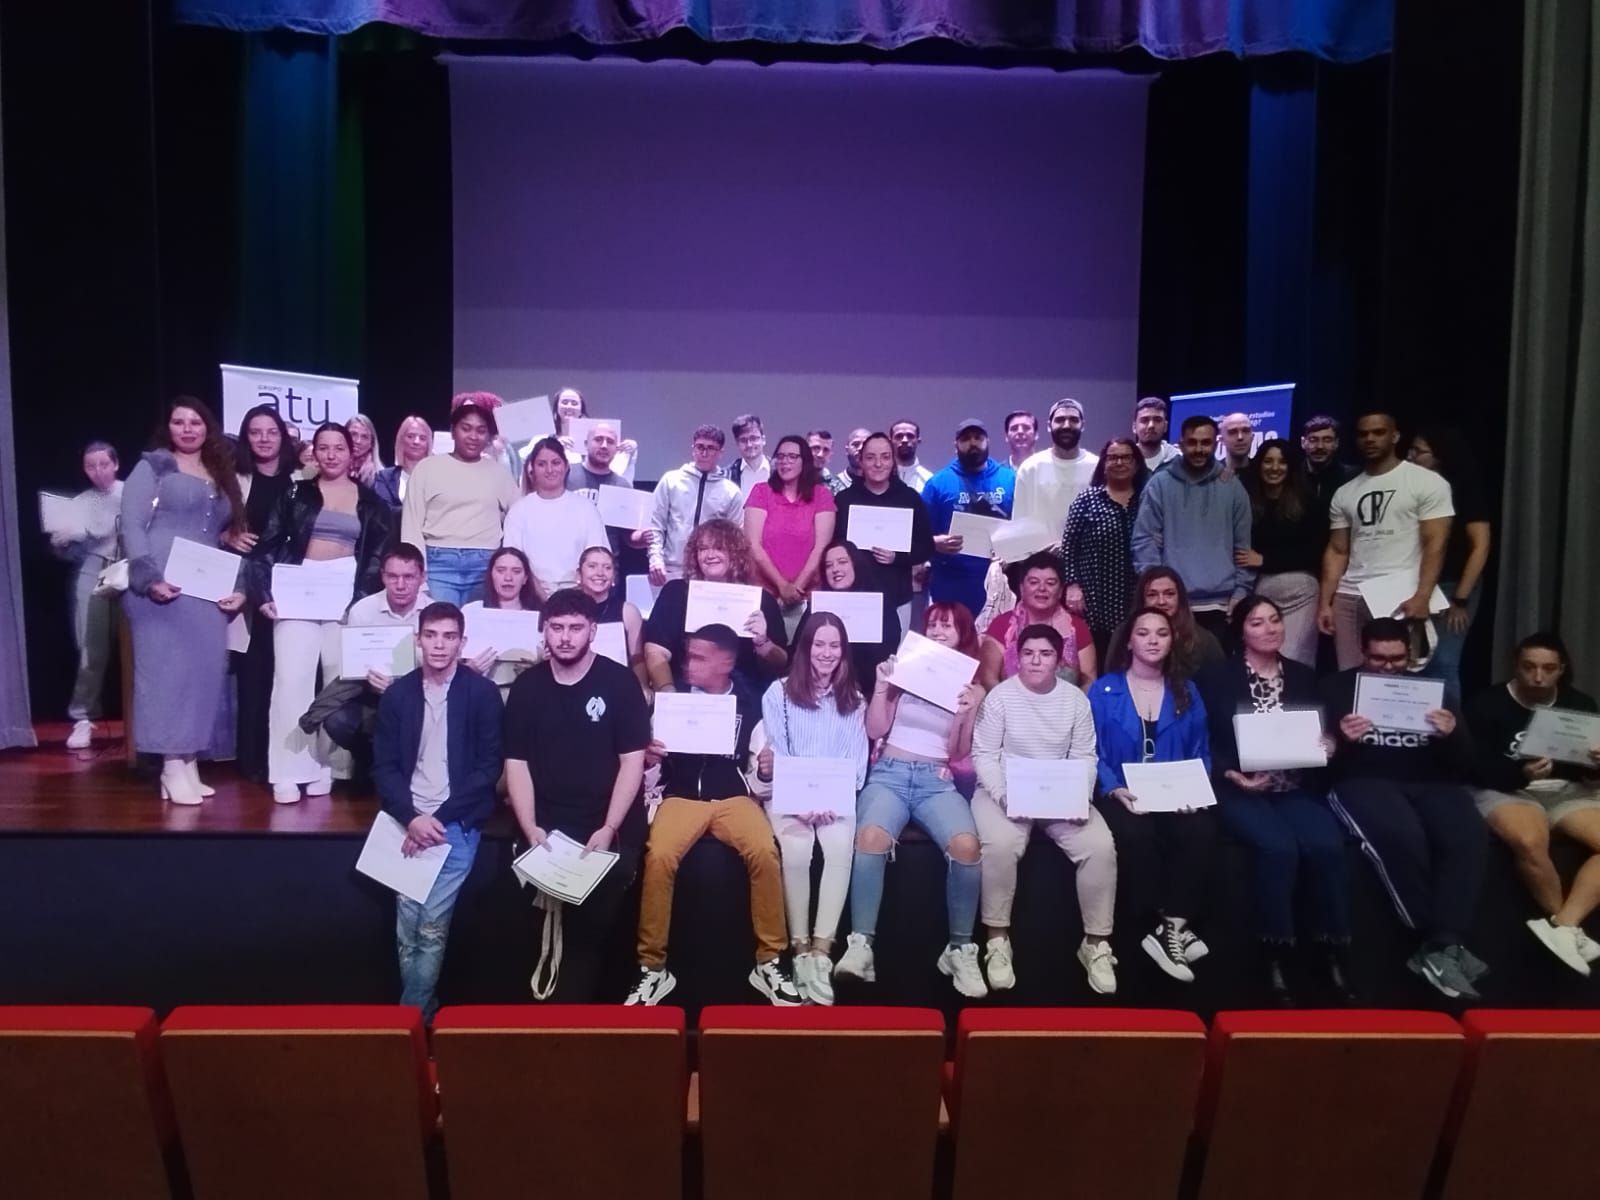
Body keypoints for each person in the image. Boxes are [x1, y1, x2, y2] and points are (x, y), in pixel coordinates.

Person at [626, 623, 803, 1007]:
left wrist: (767, 771)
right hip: (681, 796)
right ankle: (652, 968)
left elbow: (758, 773)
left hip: (734, 797)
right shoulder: (671, 704)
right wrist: (652, 760)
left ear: (726, 662)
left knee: (765, 852)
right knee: (658, 857)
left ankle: (770, 960)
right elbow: (654, 773)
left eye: (699, 657)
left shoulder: (751, 706)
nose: (688, 663)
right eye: (688, 655)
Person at [1321, 618, 1489, 999]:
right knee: (1400, 834)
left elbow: (1467, 764)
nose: (1388, 666)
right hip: (1363, 780)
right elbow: (1318, 760)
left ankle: (1446, 942)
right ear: (1364, 653)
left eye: (1397, 659)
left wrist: (1452, 735)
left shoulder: (1435, 691)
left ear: (1409, 655)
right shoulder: (1334, 688)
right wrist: (1342, 740)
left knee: (1469, 833)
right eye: (1379, 659)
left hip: (1429, 781)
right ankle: (1431, 939)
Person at [1196, 596, 1353, 1003]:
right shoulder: (1217, 677)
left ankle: (1329, 950)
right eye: (1257, 623)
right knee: (1278, 847)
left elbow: (1322, 732)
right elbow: (1203, 738)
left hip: (1294, 786)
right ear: (1241, 631)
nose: (1269, 629)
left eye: (1275, 620)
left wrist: (1330, 743)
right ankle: (1275, 954)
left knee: (1327, 845)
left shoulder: (1303, 675)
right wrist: (1231, 771)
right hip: (1237, 786)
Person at [503, 587, 651, 1000]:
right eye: (556, 628)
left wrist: (609, 827)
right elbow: (517, 764)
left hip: (607, 830)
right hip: (545, 828)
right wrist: (530, 827)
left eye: (575, 628)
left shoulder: (620, 684)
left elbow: (632, 762)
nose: (565, 637)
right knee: (527, 928)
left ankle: (576, 1024)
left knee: (590, 933)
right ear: (544, 632)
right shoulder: (527, 688)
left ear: (592, 632)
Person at [835, 602, 986, 995]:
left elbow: (957, 752)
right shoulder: (902, 669)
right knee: (870, 838)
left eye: (947, 626)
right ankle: (861, 944)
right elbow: (874, 729)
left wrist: (965, 712)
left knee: (967, 847)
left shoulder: (971, 686)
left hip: (936, 778)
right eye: (933, 624)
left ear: (962, 634)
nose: (938, 632)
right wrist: (883, 685)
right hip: (890, 772)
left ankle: (959, 948)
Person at [970, 624, 1120, 995]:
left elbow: (1085, 755)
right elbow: (984, 756)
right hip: (1003, 791)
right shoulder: (1000, 698)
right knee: (1001, 846)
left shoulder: (1075, 700)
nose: (1036, 661)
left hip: (1059, 795)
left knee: (1101, 847)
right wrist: (1005, 796)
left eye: (1045, 653)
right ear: (1016, 657)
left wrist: (1078, 798)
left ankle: (1096, 945)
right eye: (1028, 653)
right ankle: (997, 940)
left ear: (1060, 659)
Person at [373, 601, 503, 1022]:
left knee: (430, 927)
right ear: (418, 639)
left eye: (449, 636)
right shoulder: (398, 694)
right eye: (431, 635)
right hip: (405, 822)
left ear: (462, 641)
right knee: (406, 927)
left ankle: (407, 1021)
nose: (440, 644)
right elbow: (385, 766)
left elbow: (488, 768)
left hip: (456, 823)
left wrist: (438, 819)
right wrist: (411, 817)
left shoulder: (481, 693)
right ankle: (421, 1017)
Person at [250, 422, 393, 804]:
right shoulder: (296, 493)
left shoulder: (370, 502)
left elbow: (377, 557)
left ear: (352, 453)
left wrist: (360, 598)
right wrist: (264, 593)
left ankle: (329, 767)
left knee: (337, 682)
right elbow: (267, 545)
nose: (331, 454)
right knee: (291, 680)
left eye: (339, 448)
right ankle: (287, 771)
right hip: (298, 586)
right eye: (324, 447)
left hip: (345, 590)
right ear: (314, 452)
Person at [121, 398, 248, 804]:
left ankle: (188, 761)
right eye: (179, 421)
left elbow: (221, 532)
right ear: (169, 427)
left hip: (205, 585)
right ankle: (170, 765)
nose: (188, 429)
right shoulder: (154, 465)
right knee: (166, 674)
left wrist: (236, 579)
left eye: (196, 422)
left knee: (203, 675)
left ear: (207, 427)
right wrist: (148, 577)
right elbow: (132, 523)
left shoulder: (218, 470)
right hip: (165, 581)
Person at [1090, 607, 1218, 983]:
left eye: (1161, 633)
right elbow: (1090, 749)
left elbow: (1201, 750)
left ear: (1171, 639)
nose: (1152, 640)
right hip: (1121, 792)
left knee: (1201, 831)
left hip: (1175, 794)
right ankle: (1163, 926)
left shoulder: (1187, 690)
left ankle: (1172, 926)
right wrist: (1112, 788)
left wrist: (1196, 789)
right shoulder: (1105, 689)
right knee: (1135, 834)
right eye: (1143, 633)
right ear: (1129, 641)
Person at [1467, 633, 1600, 976]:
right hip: (1506, 790)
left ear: (1561, 670)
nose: (1538, 677)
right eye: (1529, 667)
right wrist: (1520, 771)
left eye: (1548, 669)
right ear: (1516, 666)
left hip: (1566, 790)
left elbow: (1587, 774)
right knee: (1528, 840)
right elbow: (1473, 768)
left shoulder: (1580, 704)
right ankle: (1567, 929)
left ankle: (1565, 927)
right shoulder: (1487, 703)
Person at [753, 613, 869, 1004]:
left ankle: (822, 950)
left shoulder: (854, 699)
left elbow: (856, 762)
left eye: (835, 645)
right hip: (791, 795)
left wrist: (831, 800)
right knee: (798, 851)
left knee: (839, 850)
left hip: (834, 800)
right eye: (819, 644)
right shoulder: (778, 693)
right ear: (805, 647)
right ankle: (799, 949)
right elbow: (778, 748)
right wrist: (801, 800)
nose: (827, 652)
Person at [1318, 410, 1454, 671]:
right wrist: (1326, 602)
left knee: (1396, 676)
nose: (1370, 439)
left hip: (1398, 593)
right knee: (1350, 676)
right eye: (1363, 434)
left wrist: (1423, 595)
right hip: (1349, 595)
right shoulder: (1345, 492)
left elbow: (1435, 543)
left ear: (1395, 436)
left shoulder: (1426, 482)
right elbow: (1337, 551)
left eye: (1378, 432)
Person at [311, 542, 433, 780]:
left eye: (409, 577)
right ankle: (370, 763)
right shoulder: (363, 610)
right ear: (383, 576)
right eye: (393, 576)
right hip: (371, 695)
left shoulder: (434, 611)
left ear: (422, 578)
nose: (400, 585)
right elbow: (355, 665)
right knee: (337, 720)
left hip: (420, 697)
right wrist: (371, 683)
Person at [1132, 415, 1252, 639]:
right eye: (1192, 442)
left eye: (1205, 443)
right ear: (1181, 444)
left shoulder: (1233, 487)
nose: (1199, 449)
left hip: (1222, 607)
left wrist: (1240, 593)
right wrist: (1157, 593)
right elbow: (1143, 541)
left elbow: (1243, 548)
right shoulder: (1159, 484)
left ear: (1216, 444)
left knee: (1214, 673)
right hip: (1172, 605)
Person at [231, 404, 300, 779]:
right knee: (254, 672)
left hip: (293, 584)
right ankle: (253, 760)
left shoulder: (300, 477)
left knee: (288, 672)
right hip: (249, 589)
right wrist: (228, 534)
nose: (263, 439)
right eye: (255, 432)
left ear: (282, 436)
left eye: (271, 431)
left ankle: (288, 757)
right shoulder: (235, 478)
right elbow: (216, 522)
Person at [643, 518, 789, 693]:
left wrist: (763, 643)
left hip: (745, 700)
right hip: (682, 692)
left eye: (719, 548)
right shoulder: (675, 593)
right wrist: (668, 693)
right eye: (703, 549)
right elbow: (655, 651)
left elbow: (781, 664)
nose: (710, 555)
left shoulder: (761, 600)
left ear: (736, 553)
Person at [401, 401, 520, 606]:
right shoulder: (428, 468)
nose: (473, 436)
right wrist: (416, 571)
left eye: (481, 431)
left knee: (479, 633)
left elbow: (519, 515)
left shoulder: (498, 473)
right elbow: (411, 525)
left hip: (485, 564)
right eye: (466, 428)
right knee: (441, 627)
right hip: (438, 563)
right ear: (453, 431)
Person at [1407, 426, 1492, 708]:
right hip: (1417, 587)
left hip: (1453, 586)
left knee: (1443, 662)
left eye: (1419, 452)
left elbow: (1480, 546)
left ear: (1441, 456)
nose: (1411, 457)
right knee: (1414, 662)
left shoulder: (1463, 488)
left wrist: (1461, 600)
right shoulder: (1412, 489)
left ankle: (1451, 736)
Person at [50, 441, 124, 750]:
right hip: (92, 569)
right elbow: (65, 553)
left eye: (103, 464)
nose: (98, 471)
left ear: (115, 464)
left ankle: (143, 719)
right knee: (90, 648)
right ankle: (83, 718)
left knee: (141, 646)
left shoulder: (132, 492)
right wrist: (61, 543)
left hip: (129, 567)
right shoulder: (80, 502)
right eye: (91, 466)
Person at [831, 432, 934, 634]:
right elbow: (834, 546)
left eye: (885, 457)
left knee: (892, 661)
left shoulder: (909, 498)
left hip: (897, 597)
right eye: (870, 457)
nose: (878, 464)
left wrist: (898, 557)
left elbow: (926, 547)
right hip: (853, 596)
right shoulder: (844, 500)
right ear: (860, 461)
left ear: (893, 461)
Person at [1237, 439, 1323, 667]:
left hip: (1301, 594)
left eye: (1282, 462)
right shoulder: (1245, 499)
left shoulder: (1308, 501)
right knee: (1260, 661)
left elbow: (1315, 553)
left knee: (1294, 662)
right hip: (1258, 593)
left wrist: (1265, 560)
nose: (1275, 468)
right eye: (1268, 461)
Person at [1062, 437, 1148, 663]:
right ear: (1104, 463)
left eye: (1126, 457)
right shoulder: (1087, 499)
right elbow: (1069, 546)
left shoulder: (1147, 499)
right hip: (1095, 601)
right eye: (1113, 457)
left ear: (1136, 463)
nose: (1119, 462)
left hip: (1135, 597)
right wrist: (1072, 585)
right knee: (1098, 664)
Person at [922, 418, 1017, 621]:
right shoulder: (937, 484)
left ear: (988, 441)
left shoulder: (1010, 479)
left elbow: (1021, 527)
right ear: (955, 445)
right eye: (965, 439)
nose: (972, 443)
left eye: (978, 438)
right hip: (951, 582)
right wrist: (934, 543)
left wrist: (1012, 552)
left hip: (999, 579)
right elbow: (918, 534)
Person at [744, 434, 837, 638]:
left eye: (792, 457)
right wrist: (782, 586)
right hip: (764, 595)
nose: (785, 461)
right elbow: (753, 544)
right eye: (781, 456)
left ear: (805, 461)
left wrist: (795, 589)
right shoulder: (761, 492)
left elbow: (821, 547)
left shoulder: (821, 495)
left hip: (807, 596)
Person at [502, 436, 610, 602]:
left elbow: (597, 559)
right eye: (542, 464)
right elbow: (514, 561)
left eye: (556, 462)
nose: (549, 470)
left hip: (579, 597)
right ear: (532, 469)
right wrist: (542, 598)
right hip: (531, 597)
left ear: (566, 466)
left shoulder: (586, 508)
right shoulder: (519, 511)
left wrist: (571, 597)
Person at [978, 551, 1097, 689]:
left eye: (1050, 583)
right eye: (1034, 582)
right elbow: (988, 679)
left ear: (1060, 591)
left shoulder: (1077, 627)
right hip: (1010, 707)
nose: (1042, 589)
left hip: (1065, 708)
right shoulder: (1001, 625)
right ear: (1022, 588)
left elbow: (1090, 681)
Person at [647, 424, 744, 584]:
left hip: (711, 573)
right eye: (700, 447)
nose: (704, 453)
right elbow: (655, 525)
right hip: (671, 569)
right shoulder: (671, 481)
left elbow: (735, 539)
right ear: (693, 448)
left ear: (720, 452)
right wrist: (655, 559)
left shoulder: (731, 492)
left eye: (711, 448)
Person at [801, 544, 900, 687]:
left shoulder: (880, 604)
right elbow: (800, 647)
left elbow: (889, 647)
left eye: (842, 562)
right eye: (828, 566)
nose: (835, 569)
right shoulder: (817, 606)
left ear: (855, 565)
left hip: (868, 686)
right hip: (820, 686)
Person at [459, 547, 542, 697]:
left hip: (527, 693)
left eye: (516, 572)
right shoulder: (471, 612)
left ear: (525, 578)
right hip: (479, 692)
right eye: (501, 570)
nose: (508, 578)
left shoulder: (540, 616)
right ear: (491, 575)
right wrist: (469, 669)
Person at [1012, 399, 1099, 538]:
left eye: (1073, 420)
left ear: (1083, 425)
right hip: (1040, 557)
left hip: (1085, 557)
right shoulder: (1030, 468)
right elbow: (1019, 523)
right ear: (1049, 426)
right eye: (1059, 420)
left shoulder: (1097, 467)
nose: (1066, 425)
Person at [575, 545, 650, 691]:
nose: (600, 573)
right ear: (579, 575)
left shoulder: (628, 611)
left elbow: (637, 659)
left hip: (616, 686)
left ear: (614, 576)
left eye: (607, 568)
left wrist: (642, 686)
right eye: (592, 566)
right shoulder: (566, 609)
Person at [1136, 566, 1225, 678]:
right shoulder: (1125, 634)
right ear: (1142, 600)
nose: (1161, 601)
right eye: (1152, 595)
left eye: (1169, 594)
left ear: (1180, 598)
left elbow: (1220, 683)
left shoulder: (1204, 640)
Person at [551, 386, 639, 482]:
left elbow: (617, 474)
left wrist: (631, 451)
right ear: (556, 408)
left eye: (574, 403)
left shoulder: (597, 441)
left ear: (581, 410)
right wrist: (554, 448)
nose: (569, 406)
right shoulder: (544, 439)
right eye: (564, 402)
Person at [1300, 414, 1358, 519]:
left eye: (1327, 440)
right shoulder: (1292, 477)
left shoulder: (1353, 477)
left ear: (1336, 443)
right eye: (1313, 440)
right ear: (1303, 443)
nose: (1320, 446)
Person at [372, 415, 433, 513]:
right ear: (401, 440)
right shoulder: (384, 478)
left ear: (428, 444)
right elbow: (383, 512)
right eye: (410, 436)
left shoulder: (438, 478)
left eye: (422, 438)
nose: (416, 442)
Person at [728, 413, 770, 498]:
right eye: (743, 440)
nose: (749, 445)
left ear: (763, 440)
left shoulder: (778, 471)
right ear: (737, 443)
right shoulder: (728, 475)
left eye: (753, 438)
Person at [1134, 396, 1181, 471]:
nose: (1151, 425)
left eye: (1157, 420)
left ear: (1165, 426)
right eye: (1144, 420)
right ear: (1134, 427)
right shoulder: (1125, 460)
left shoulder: (1180, 460)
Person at [889, 419, 934, 493]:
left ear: (918, 440)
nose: (904, 440)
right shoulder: (879, 477)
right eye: (899, 436)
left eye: (910, 436)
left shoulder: (929, 480)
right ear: (890, 441)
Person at [345, 414, 383, 487]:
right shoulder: (333, 470)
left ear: (371, 443)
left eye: (364, 437)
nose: (358, 441)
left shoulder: (380, 478)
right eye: (353, 434)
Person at [1219, 411, 1255, 479]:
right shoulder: (1212, 475)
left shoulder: (1263, 474)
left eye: (1245, 430)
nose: (1240, 437)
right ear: (1222, 440)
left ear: (1252, 437)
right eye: (1233, 432)